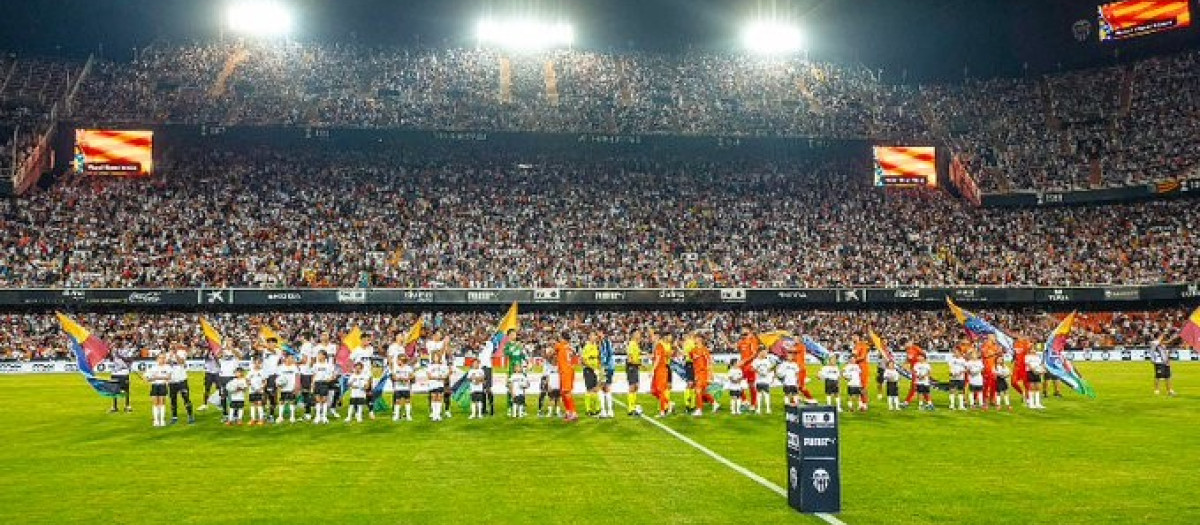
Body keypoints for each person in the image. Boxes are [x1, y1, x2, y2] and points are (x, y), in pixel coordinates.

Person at [167, 344, 195, 424]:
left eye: (174, 346)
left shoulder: (182, 352)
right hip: (172, 381)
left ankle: (190, 416)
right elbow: (166, 363)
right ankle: (174, 417)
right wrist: (170, 356)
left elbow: (182, 362)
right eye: (171, 346)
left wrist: (175, 354)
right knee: (173, 400)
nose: (172, 347)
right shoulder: (168, 354)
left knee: (186, 398)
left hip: (182, 380)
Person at [690, 334, 717, 415]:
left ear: (700, 339)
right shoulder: (693, 350)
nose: (694, 340)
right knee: (703, 392)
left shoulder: (704, 350)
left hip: (703, 373)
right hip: (697, 373)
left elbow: (709, 362)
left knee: (698, 390)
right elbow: (691, 359)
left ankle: (699, 409)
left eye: (695, 338)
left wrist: (711, 374)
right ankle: (715, 403)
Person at [736, 327, 761, 409]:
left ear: (749, 331)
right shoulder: (741, 341)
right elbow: (734, 347)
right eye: (742, 332)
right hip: (742, 366)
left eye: (745, 332)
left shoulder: (752, 340)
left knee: (751, 385)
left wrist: (744, 361)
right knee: (737, 382)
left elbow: (754, 354)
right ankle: (744, 400)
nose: (743, 333)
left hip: (750, 366)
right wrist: (725, 340)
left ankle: (753, 404)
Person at [555, 333, 578, 422]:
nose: (559, 339)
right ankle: (568, 412)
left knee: (566, 392)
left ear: (563, 339)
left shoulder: (560, 345)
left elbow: (551, 352)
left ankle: (573, 413)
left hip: (565, 372)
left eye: (560, 338)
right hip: (569, 371)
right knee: (563, 392)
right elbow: (574, 359)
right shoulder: (570, 347)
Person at [651, 332, 674, 418]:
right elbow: (657, 357)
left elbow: (658, 359)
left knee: (661, 390)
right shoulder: (659, 345)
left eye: (654, 337)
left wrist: (652, 370)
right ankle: (668, 403)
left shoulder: (660, 346)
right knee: (655, 390)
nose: (652, 338)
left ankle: (663, 411)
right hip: (661, 369)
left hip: (661, 369)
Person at [217, 347, 243, 422]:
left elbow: (240, 357)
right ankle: (225, 414)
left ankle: (235, 414)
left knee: (234, 396)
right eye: (227, 340)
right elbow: (217, 356)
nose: (228, 341)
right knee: (223, 396)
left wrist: (232, 349)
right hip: (223, 377)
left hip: (233, 376)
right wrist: (222, 349)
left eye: (230, 340)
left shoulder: (236, 350)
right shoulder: (222, 350)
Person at [146, 353, 172, 427]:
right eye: (160, 358)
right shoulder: (153, 368)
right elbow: (148, 378)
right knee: (155, 403)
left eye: (164, 358)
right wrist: (149, 378)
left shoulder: (168, 367)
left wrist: (156, 377)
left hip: (162, 385)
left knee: (162, 403)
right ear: (157, 359)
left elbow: (168, 378)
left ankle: (162, 420)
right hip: (154, 386)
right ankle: (156, 420)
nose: (162, 359)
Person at [109, 342, 135, 413]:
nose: (115, 343)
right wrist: (110, 352)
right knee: (114, 390)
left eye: (117, 342)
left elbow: (130, 360)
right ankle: (114, 407)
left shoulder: (127, 350)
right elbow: (111, 360)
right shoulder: (113, 350)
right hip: (115, 372)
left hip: (124, 372)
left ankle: (127, 406)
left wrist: (120, 356)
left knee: (126, 389)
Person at [311, 351, 335, 424]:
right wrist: (312, 384)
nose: (318, 356)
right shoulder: (315, 365)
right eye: (318, 355)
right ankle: (318, 417)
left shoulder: (329, 365)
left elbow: (333, 375)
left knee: (324, 400)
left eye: (320, 355)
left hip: (325, 383)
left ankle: (324, 417)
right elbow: (313, 375)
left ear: (324, 356)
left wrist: (330, 379)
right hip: (317, 383)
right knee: (318, 400)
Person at [581, 333, 602, 417]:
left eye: (595, 336)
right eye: (593, 336)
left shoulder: (595, 347)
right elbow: (583, 360)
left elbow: (597, 358)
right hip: (588, 370)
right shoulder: (586, 347)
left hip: (594, 370)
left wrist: (598, 368)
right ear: (589, 337)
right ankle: (588, 409)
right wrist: (592, 368)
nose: (595, 337)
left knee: (595, 389)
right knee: (589, 389)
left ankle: (597, 409)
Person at [625, 329, 644, 416]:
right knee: (632, 387)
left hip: (635, 367)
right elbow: (630, 359)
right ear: (633, 335)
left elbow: (637, 356)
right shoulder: (632, 344)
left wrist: (640, 364)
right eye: (637, 333)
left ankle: (633, 406)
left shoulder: (636, 344)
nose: (639, 335)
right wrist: (639, 364)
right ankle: (630, 408)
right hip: (631, 367)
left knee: (636, 386)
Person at [902, 339, 926, 406]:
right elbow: (908, 359)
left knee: (915, 386)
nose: (904, 346)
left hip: (919, 370)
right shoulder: (907, 350)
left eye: (905, 345)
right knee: (919, 386)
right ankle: (927, 402)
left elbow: (924, 355)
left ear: (908, 343)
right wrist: (905, 365)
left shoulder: (915, 347)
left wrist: (921, 364)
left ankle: (907, 402)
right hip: (914, 370)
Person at [277, 355, 300, 423]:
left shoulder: (294, 367)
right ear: (286, 359)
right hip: (283, 387)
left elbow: (297, 377)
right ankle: (280, 417)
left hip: (291, 387)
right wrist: (278, 385)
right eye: (290, 358)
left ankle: (292, 417)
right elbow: (278, 378)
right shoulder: (281, 367)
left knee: (292, 402)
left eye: (292, 358)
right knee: (282, 402)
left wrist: (297, 386)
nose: (292, 359)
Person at [751, 349, 776, 414]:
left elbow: (770, 368)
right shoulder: (755, 361)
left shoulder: (767, 361)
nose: (765, 354)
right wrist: (759, 372)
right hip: (758, 380)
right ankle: (758, 409)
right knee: (759, 395)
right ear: (760, 352)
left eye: (766, 352)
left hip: (766, 380)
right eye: (764, 352)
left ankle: (768, 409)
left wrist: (768, 371)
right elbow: (752, 368)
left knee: (766, 394)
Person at [391, 354, 414, 421]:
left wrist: (407, 378)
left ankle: (408, 416)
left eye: (398, 360)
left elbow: (412, 376)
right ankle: (396, 416)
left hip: (406, 387)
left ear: (402, 360)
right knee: (397, 401)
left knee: (407, 401)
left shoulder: (408, 368)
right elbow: (393, 377)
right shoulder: (395, 368)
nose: (397, 361)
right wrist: (400, 379)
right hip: (398, 387)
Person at [599, 331, 616, 419]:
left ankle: (605, 411)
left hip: (606, 367)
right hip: (610, 367)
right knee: (606, 388)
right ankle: (609, 411)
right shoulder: (607, 341)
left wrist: (603, 366)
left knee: (603, 388)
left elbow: (606, 355)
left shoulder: (604, 342)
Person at [426, 355, 449, 422]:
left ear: (440, 358)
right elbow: (429, 376)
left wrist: (442, 377)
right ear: (433, 358)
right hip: (432, 384)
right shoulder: (430, 366)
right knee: (433, 398)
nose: (436, 358)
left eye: (437, 356)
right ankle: (434, 414)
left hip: (440, 384)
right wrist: (438, 378)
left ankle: (438, 415)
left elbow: (446, 375)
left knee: (439, 398)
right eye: (435, 356)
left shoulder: (443, 366)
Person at [477, 336, 495, 416]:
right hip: (481, 370)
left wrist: (483, 342)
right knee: (482, 389)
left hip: (487, 369)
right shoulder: (480, 350)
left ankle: (491, 407)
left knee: (488, 389)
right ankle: (483, 408)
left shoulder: (489, 345)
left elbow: (488, 343)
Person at [199, 342, 220, 412]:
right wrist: (209, 352)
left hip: (217, 372)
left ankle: (219, 403)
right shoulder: (206, 352)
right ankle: (204, 404)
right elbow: (205, 358)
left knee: (219, 389)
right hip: (209, 373)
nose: (207, 348)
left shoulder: (218, 351)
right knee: (207, 389)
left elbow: (219, 362)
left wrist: (215, 355)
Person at [247, 358, 268, 425]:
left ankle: (261, 419)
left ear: (261, 364)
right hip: (252, 390)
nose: (256, 364)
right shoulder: (250, 372)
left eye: (258, 363)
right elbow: (247, 380)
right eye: (255, 363)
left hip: (260, 390)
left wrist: (261, 388)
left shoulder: (263, 372)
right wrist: (250, 386)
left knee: (259, 403)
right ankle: (253, 419)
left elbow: (265, 381)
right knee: (253, 404)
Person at [947, 345, 968, 411]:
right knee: (952, 390)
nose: (955, 353)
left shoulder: (963, 360)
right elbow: (949, 368)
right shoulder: (951, 359)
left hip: (961, 378)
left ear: (960, 352)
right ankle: (952, 405)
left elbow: (966, 368)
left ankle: (961, 406)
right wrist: (952, 373)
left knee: (961, 391)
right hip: (953, 377)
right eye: (954, 352)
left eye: (956, 352)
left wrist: (961, 372)